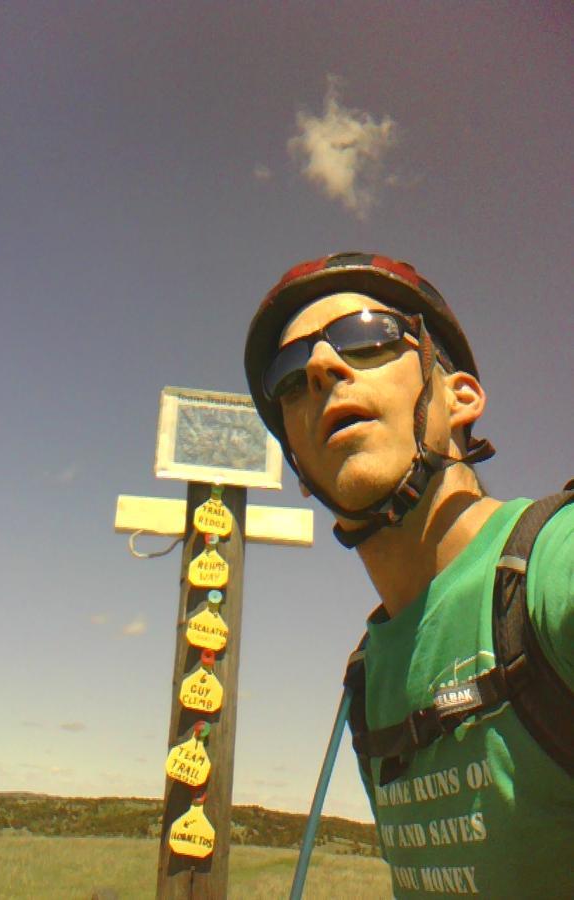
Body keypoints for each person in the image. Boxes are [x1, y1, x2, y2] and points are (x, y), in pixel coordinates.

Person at [244, 252, 573, 898]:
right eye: (286, 376)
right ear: (299, 471)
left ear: (461, 398)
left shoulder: (548, 567)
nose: (318, 366)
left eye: (364, 335)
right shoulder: (367, 678)